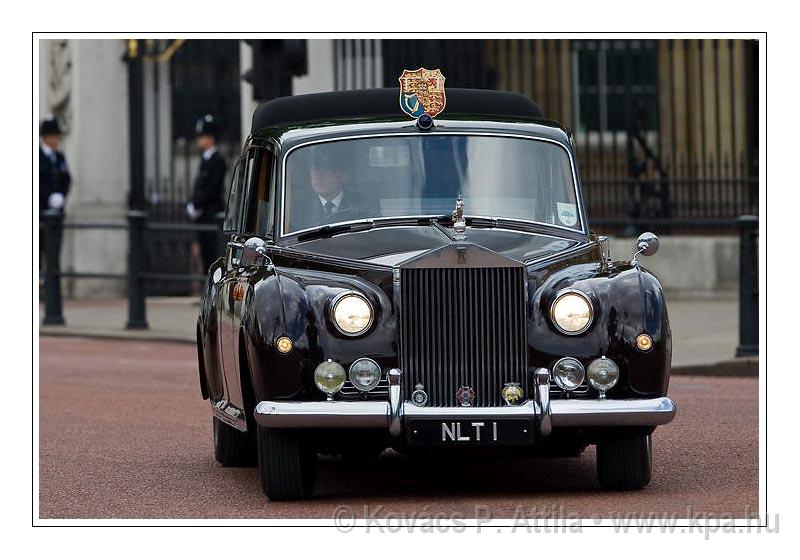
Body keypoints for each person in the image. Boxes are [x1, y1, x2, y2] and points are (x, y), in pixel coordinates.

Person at [290, 146, 373, 231]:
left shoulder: (361, 203)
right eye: (314, 171)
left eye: (326, 170)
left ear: (340, 174)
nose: (319, 177)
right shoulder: (299, 208)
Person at [187, 114, 226, 272]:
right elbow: (200, 186)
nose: (199, 140)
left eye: (202, 136)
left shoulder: (218, 160)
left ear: (211, 138)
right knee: (204, 253)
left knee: (212, 254)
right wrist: (193, 203)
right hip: (203, 215)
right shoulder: (206, 159)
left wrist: (197, 204)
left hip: (211, 213)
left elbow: (212, 188)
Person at [39, 115, 71, 270]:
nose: (57, 139)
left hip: (57, 214)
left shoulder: (59, 157)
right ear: (46, 137)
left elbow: (67, 179)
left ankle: (54, 292)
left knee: (54, 255)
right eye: (55, 136)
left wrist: (61, 196)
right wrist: (48, 196)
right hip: (40, 213)